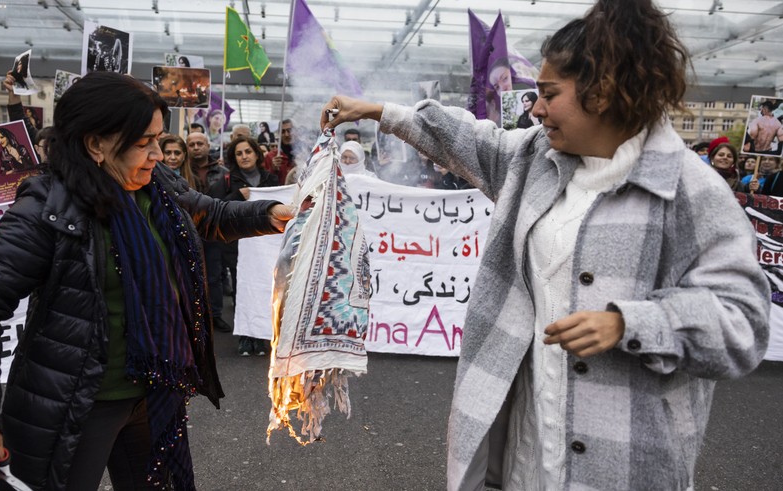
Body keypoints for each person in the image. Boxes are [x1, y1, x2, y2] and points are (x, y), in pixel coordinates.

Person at [320, 1, 769, 489]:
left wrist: (630, 323)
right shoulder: (536, 157)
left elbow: (742, 322)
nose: (535, 108)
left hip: (625, 463)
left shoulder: (690, 192)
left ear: (603, 93)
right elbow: (470, 139)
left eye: (548, 94)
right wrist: (381, 113)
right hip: (529, 445)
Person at [0, 72, 293, 490]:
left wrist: (272, 215)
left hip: (154, 394)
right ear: (96, 144)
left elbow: (209, 215)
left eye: (160, 140)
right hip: (76, 405)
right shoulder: (47, 208)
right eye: (144, 143)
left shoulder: (156, 187)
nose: (158, 154)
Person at [222, 136, 280, 356]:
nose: (244, 156)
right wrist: (238, 195)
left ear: (257, 154)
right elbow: (215, 205)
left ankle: (261, 334)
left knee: (265, 286)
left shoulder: (271, 179)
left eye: (248, 151)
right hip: (237, 244)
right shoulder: (228, 180)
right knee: (242, 287)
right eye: (239, 153)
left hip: (265, 244)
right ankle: (245, 335)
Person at [186, 131, 232, 334]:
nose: (196, 147)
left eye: (200, 143)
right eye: (192, 144)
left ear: (207, 145)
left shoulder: (222, 172)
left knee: (213, 275)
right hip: (186, 228)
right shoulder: (180, 170)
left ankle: (214, 316)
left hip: (212, 229)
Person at [263, 119, 294, 184]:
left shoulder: (302, 154)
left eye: (289, 131)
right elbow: (265, 183)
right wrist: (273, 169)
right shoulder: (270, 156)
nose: (286, 134)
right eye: (283, 131)